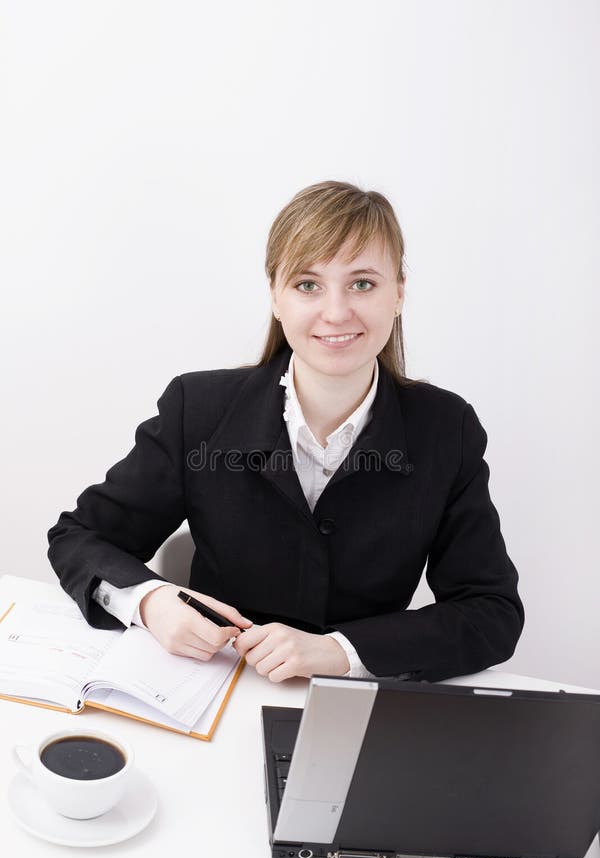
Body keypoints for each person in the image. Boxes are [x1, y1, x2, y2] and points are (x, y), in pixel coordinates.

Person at [47, 180, 524, 683]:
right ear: (276, 296)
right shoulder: (199, 409)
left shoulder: (447, 429)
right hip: (213, 688)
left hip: (353, 707)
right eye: (307, 285)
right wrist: (151, 601)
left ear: (399, 293)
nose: (336, 313)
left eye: (362, 283)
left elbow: (491, 613)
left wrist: (340, 651)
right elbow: (79, 537)